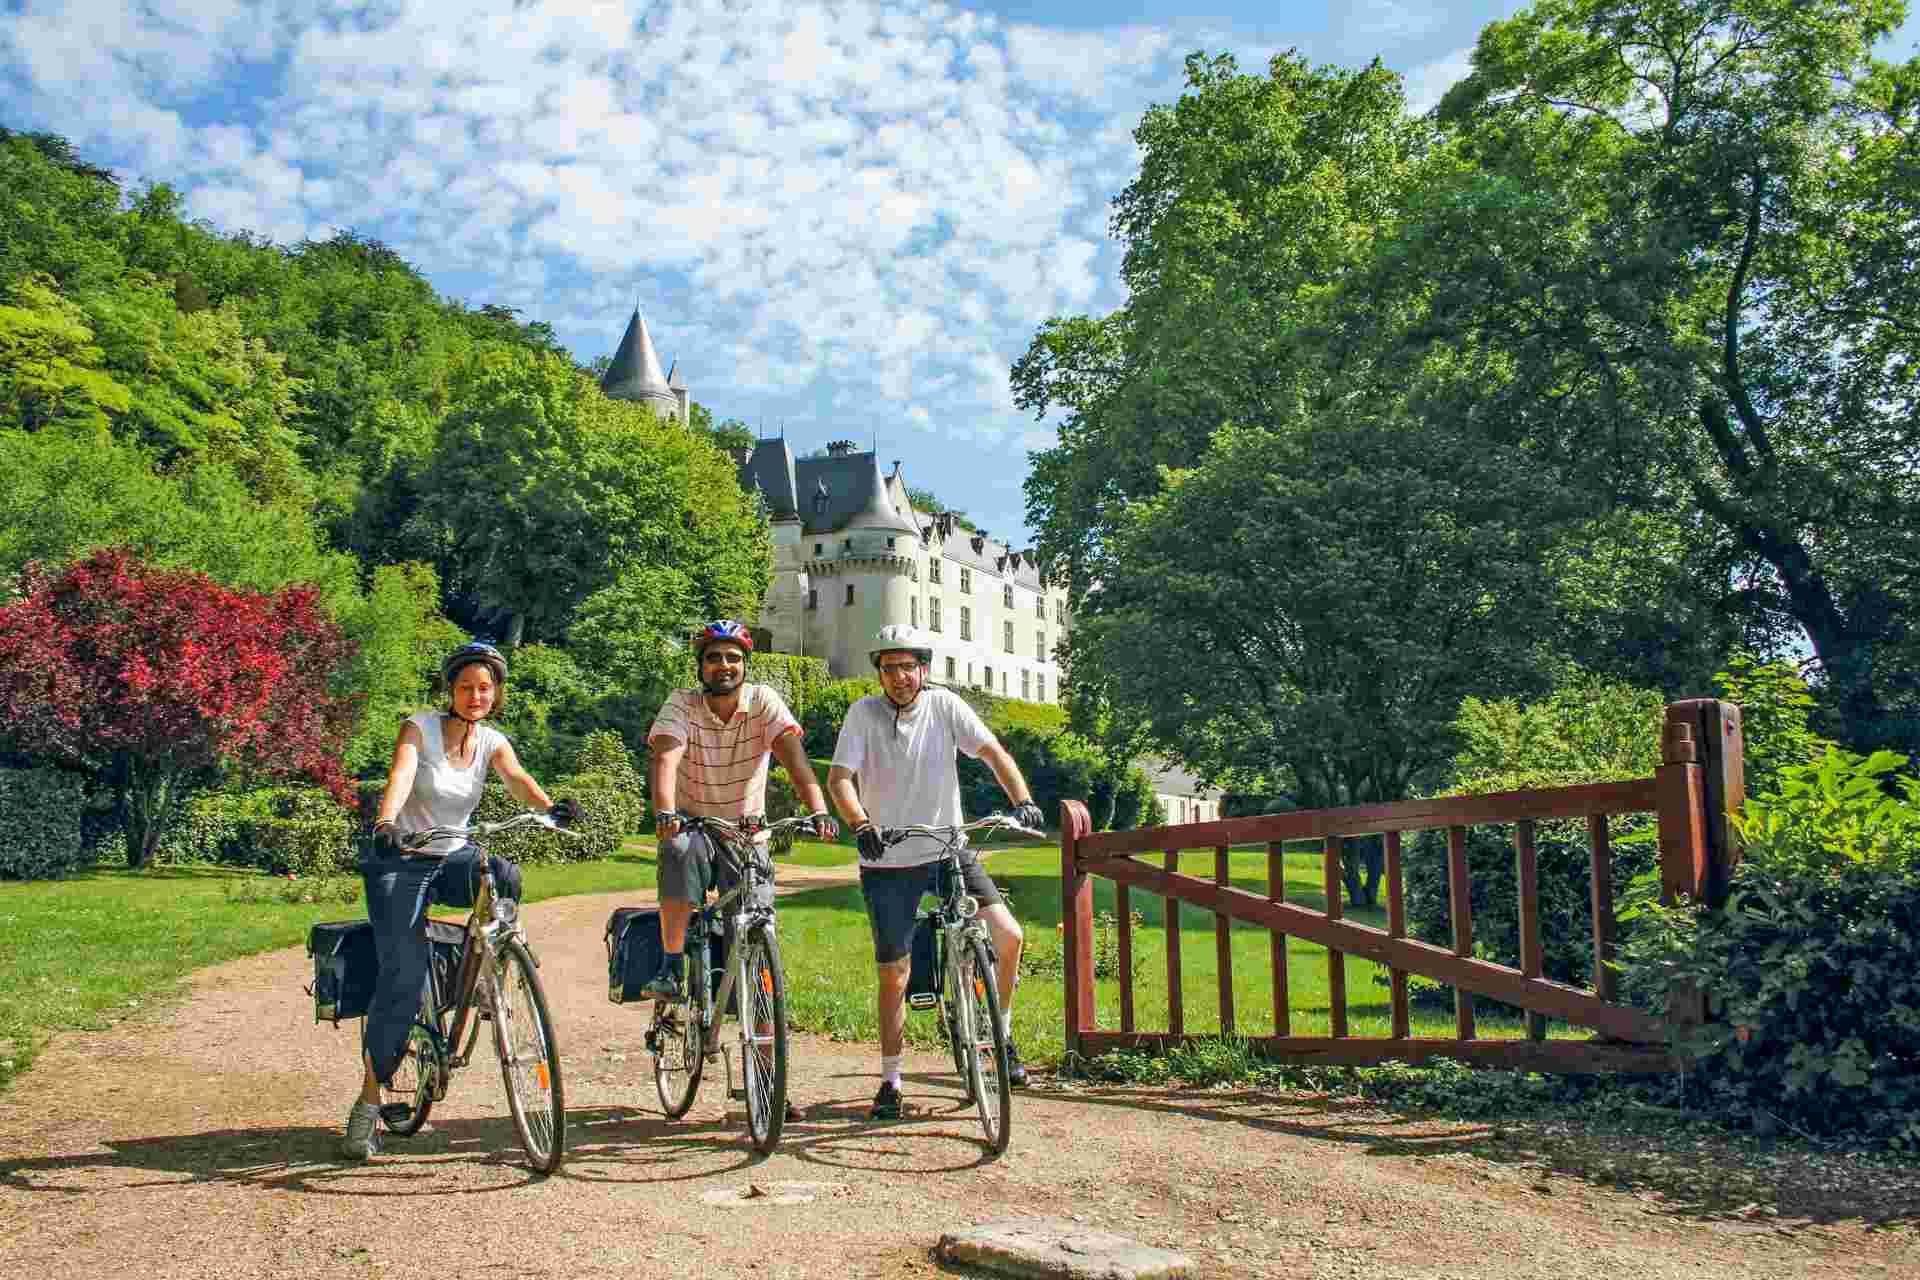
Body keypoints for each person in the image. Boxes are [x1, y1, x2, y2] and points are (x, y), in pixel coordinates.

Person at [345, 640, 579, 1160]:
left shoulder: (492, 740)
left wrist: (551, 809)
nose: (476, 696)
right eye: (467, 687)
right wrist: (386, 822)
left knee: (502, 873)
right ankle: (368, 1102)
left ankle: (493, 966)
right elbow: (401, 774)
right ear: (449, 690)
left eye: (485, 688)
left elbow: (517, 779)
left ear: (495, 693)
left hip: (453, 856)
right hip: (402, 858)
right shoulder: (419, 727)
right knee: (403, 980)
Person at [827, 625, 1045, 1120]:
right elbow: (839, 779)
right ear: (880, 673)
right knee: (894, 974)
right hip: (888, 859)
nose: (899, 676)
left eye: (908, 666)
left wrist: (1023, 800)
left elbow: (992, 752)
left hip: (949, 849)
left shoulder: (945, 705)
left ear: (922, 669)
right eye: (889, 668)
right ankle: (891, 1081)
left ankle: (1000, 1035)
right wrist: (860, 823)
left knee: (1008, 935)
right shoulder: (863, 714)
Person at [646, 620, 837, 1118]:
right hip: (693, 822)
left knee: (759, 960)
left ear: (745, 665)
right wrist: (665, 812)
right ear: (701, 666)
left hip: (746, 832)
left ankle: (770, 1086)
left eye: (733, 657)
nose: (724, 666)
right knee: (679, 852)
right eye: (714, 657)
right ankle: (671, 964)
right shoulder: (682, 703)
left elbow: (795, 760)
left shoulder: (764, 702)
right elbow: (666, 759)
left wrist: (818, 809)